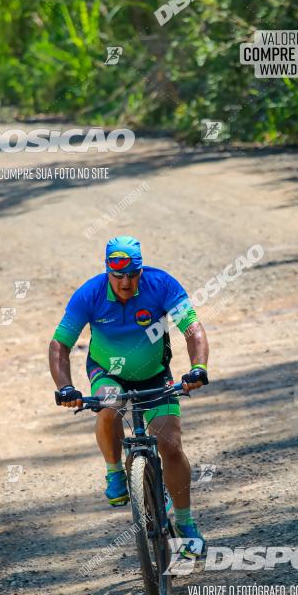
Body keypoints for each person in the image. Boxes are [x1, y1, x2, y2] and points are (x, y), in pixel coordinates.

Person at [49, 235, 209, 556]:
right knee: (108, 404)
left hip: (154, 374)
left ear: (141, 269)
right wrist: (65, 388)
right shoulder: (90, 293)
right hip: (107, 372)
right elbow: (59, 345)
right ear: (107, 271)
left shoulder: (160, 285)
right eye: (117, 274)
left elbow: (193, 330)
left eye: (132, 274)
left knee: (170, 445)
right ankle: (114, 471)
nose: (125, 282)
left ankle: (185, 521)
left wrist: (198, 368)